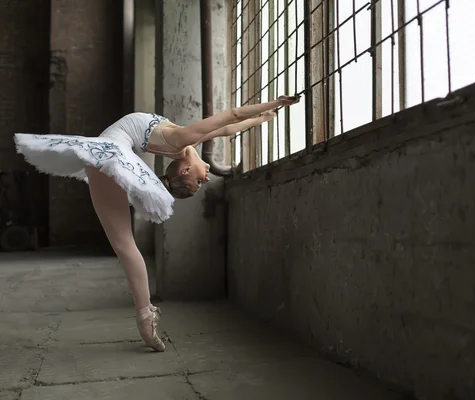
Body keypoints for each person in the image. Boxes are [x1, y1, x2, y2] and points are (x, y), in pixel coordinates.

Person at [14, 94, 301, 352]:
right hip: (107, 154)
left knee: (124, 245)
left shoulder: (182, 141)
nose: (208, 175)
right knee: (125, 245)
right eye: (203, 182)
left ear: (185, 169)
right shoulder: (182, 140)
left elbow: (229, 121)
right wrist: (269, 108)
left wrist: (266, 113)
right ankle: (145, 316)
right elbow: (229, 122)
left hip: (106, 155)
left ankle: (145, 315)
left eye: (200, 180)